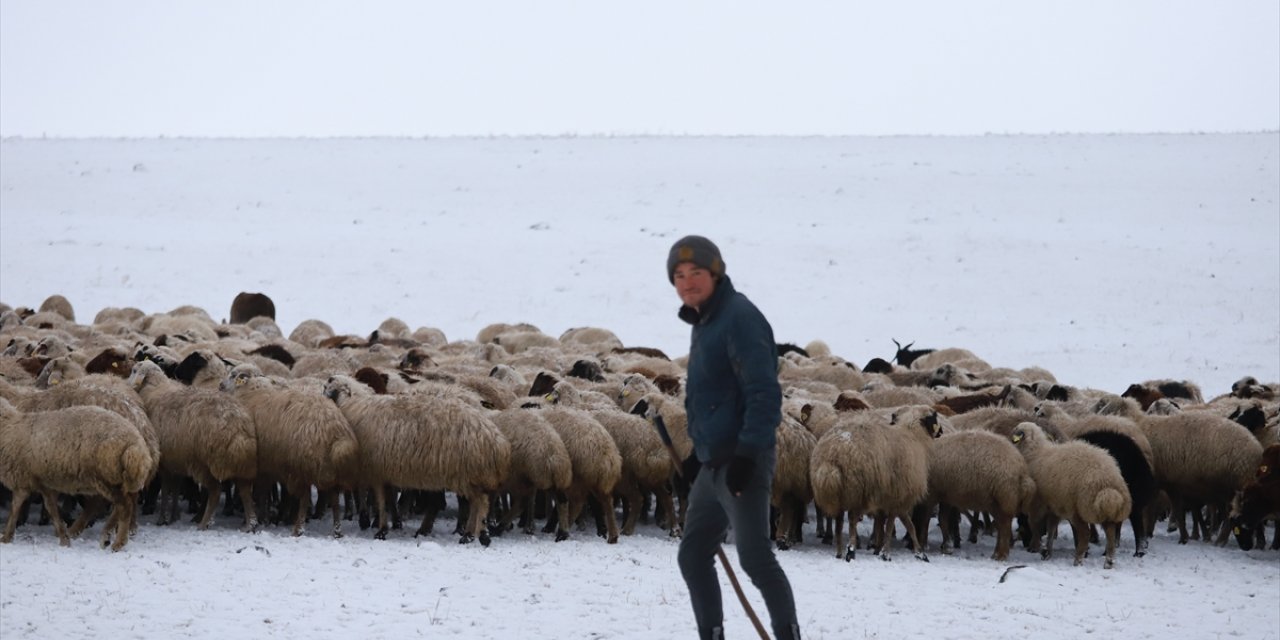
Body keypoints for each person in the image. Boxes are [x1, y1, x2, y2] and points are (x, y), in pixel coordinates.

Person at [667, 235, 800, 640]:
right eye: (679, 275)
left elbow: (763, 392)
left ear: (716, 273)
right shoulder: (705, 320)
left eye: (696, 273)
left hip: (742, 461)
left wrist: (746, 455)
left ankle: (788, 635)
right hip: (714, 463)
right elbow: (712, 397)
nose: (688, 282)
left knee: (755, 559)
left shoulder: (739, 317)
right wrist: (696, 455)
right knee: (693, 555)